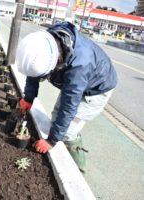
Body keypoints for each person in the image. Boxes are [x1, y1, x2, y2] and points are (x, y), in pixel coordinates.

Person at [16, 22, 117, 173]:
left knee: (68, 131)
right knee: (57, 118)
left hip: (97, 89)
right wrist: (28, 98)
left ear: (55, 62)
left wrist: (51, 140)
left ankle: (78, 170)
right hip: (80, 80)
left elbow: (69, 105)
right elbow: (33, 71)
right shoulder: (45, 43)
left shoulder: (79, 66)